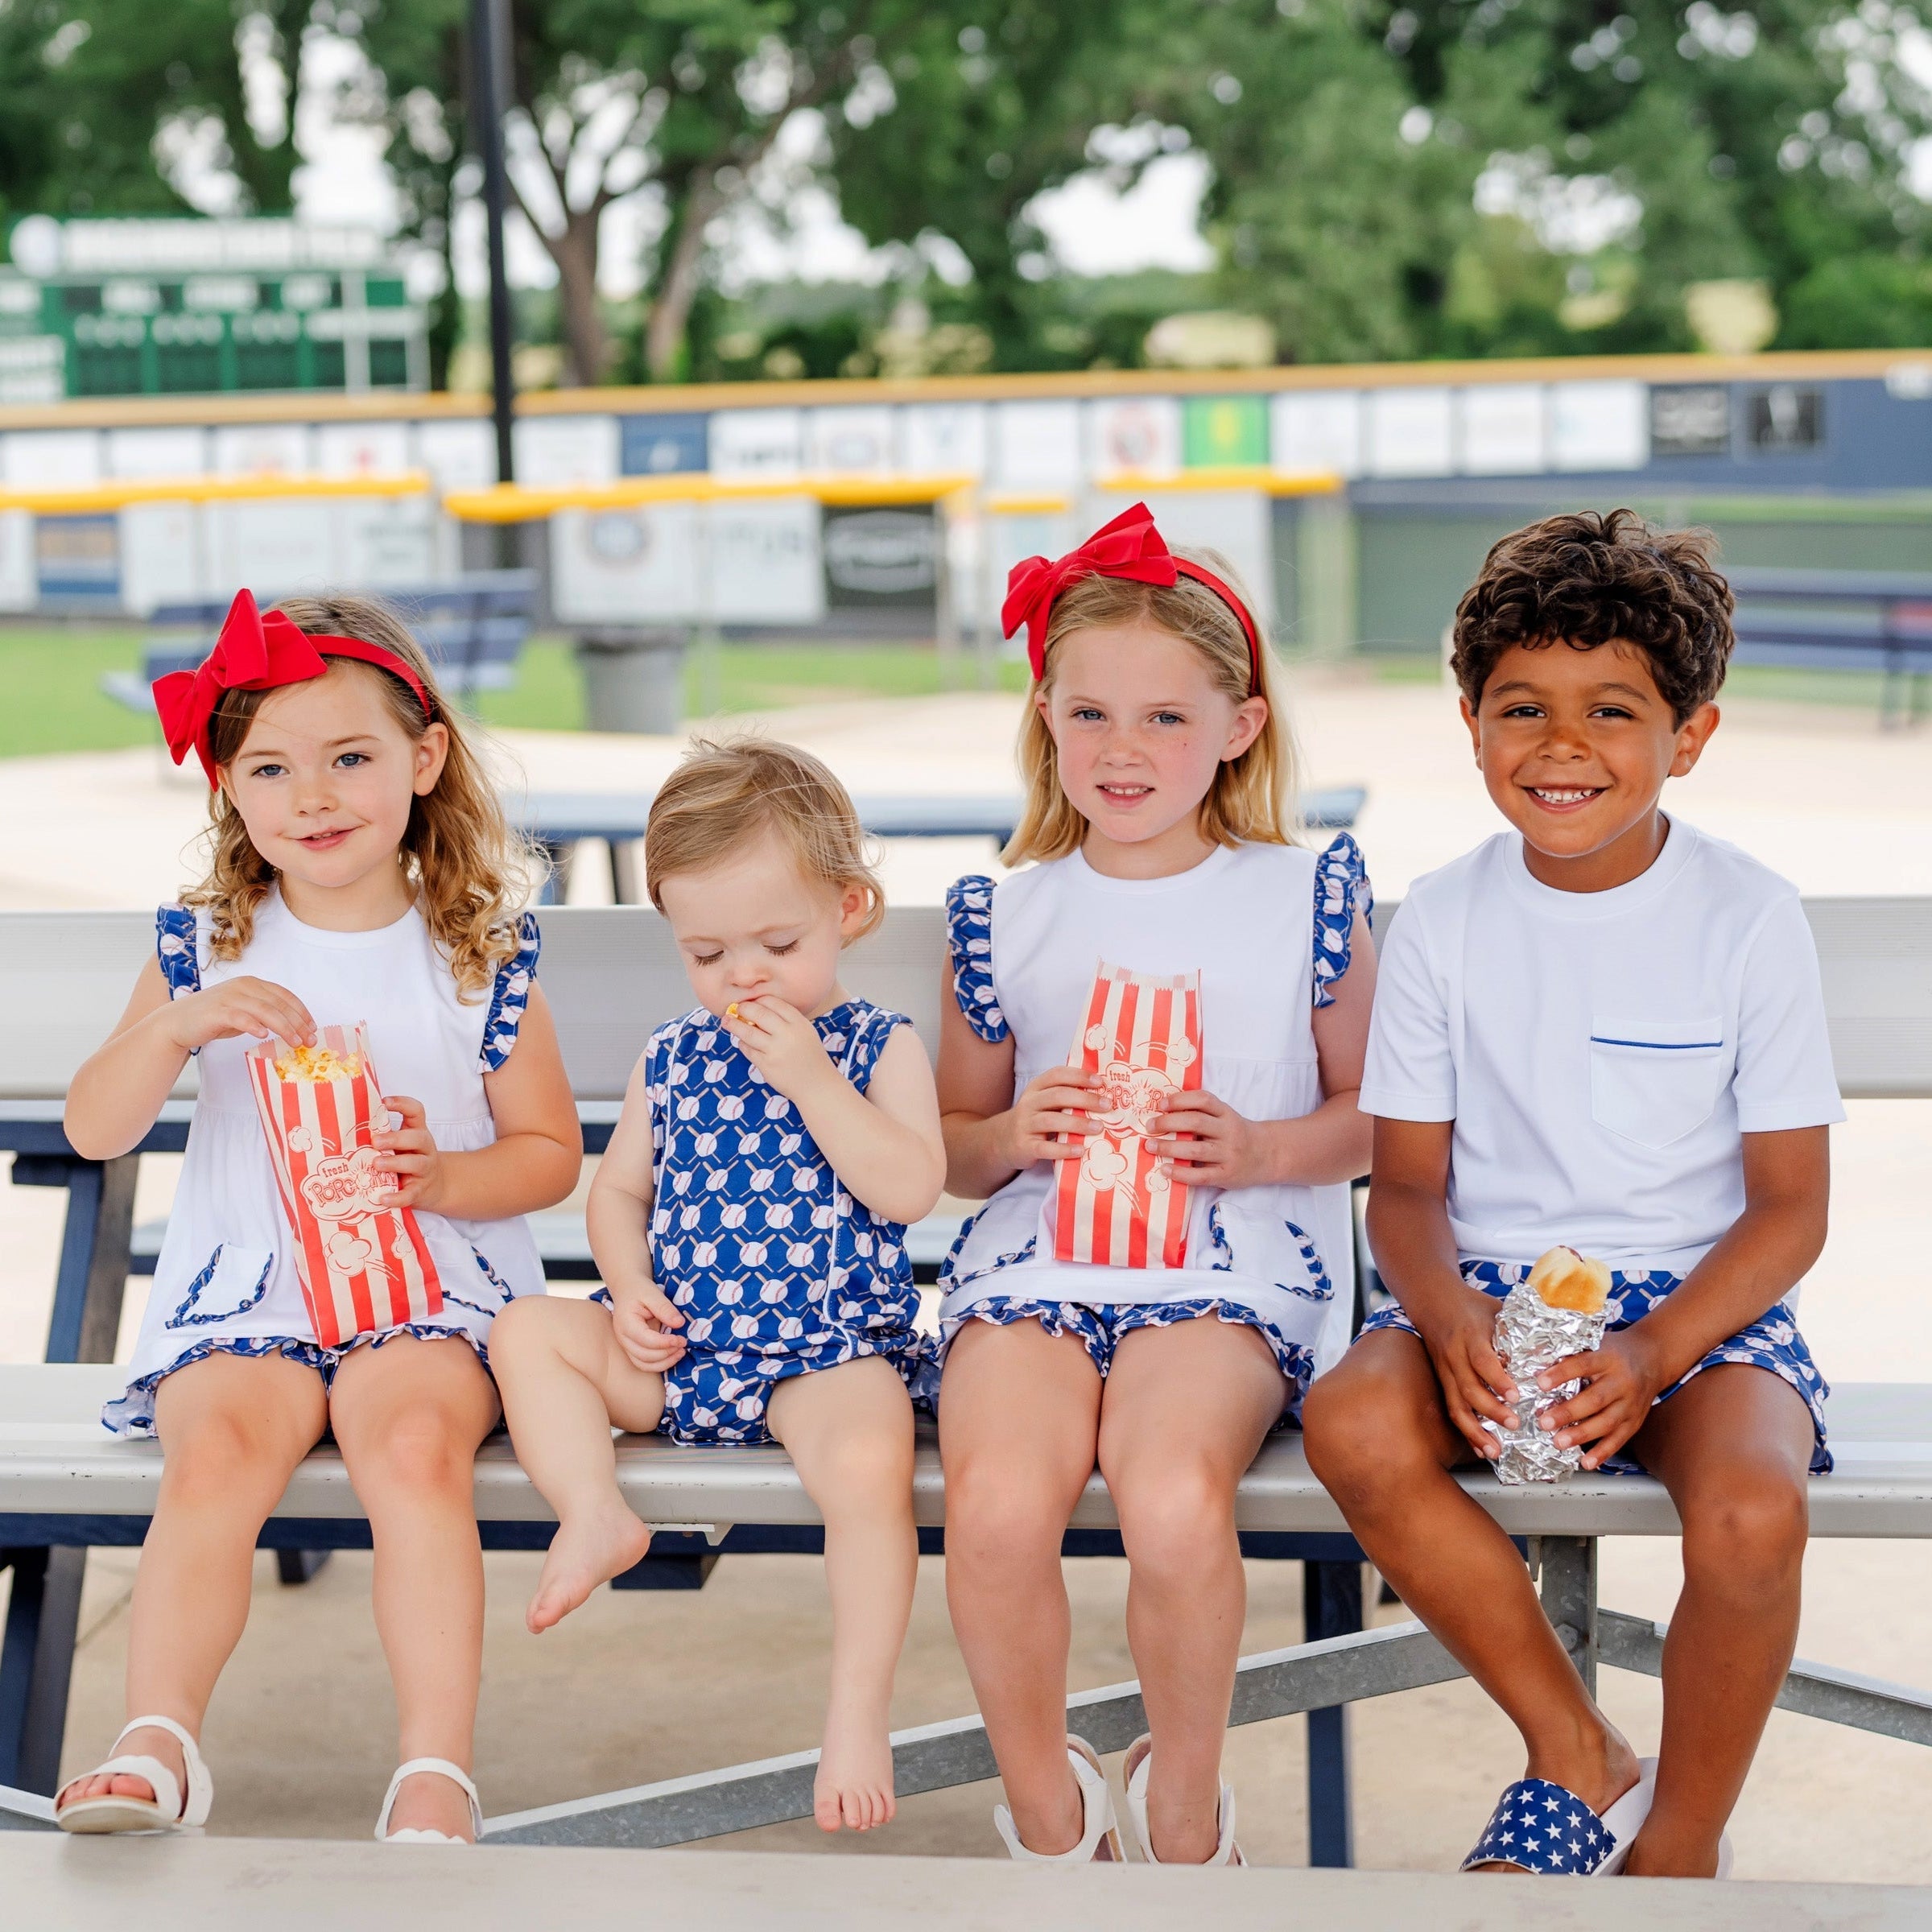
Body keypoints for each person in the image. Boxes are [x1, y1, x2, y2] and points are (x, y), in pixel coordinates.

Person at [1302, 510, 1841, 1879]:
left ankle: (1679, 1847)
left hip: (1698, 1315)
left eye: (1614, 710)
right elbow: (1407, 1192)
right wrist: (1439, 1322)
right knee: (1354, 1426)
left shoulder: (1749, 918)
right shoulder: (1440, 921)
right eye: (1521, 707)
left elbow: (1790, 1208)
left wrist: (1661, 1348)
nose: (1562, 746)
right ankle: (1575, 1747)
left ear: (1692, 736)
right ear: (1470, 722)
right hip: (1485, 1301)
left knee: (1751, 1510)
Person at [55, 591, 580, 1843]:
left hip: (425, 1293)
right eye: (273, 768)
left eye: (351, 757)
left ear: (426, 756)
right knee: (219, 1455)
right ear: (229, 786)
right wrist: (176, 1026)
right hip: (251, 1289)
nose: (316, 796)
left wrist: (446, 1176)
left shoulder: (478, 955)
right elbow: (94, 1128)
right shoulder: (204, 947)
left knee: (411, 1452)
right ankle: (157, 1740)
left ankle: (433, 1771)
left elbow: (550, 1153)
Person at [935, 503, 1375, 1865]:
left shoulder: (1305, 895)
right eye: (1092, 715)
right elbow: (947, 1141)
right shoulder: (1006, 911)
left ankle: (1186, 1812)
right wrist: (1008, 1141)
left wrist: (1262, 1150)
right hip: (1041, 1260)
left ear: (1240, 727)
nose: (1124, 751)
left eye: (1168, 720)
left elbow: (1379, 1121)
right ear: (1046, 717)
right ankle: (1053, 1820)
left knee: (1169, 1491)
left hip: (1232, 1266)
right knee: (1000, 1502)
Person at [489, 738, 944, 1835]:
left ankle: (854, 1711)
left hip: (822, 1358)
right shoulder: (675, 1056)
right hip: (683, 1351)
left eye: (777, 943)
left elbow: (912, 1187)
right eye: (706, 952)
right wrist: (629, 1285)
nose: (742, 975)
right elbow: (615, 1195)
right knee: (524, 1331)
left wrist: (810, 1077)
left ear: (851, 909)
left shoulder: (876, 1048)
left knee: (872, 1464)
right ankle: (595, 1512)